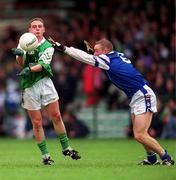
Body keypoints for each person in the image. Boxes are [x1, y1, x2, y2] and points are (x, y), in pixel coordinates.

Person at [49, 37, 174, 166]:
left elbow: (85, 58)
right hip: (136, 95)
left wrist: (65, 49)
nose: (94, 53)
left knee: (140, 135)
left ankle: (166, 157)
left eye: (97, 51)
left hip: (143, 95)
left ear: (106, 51)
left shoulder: (107, 59)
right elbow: (105, 61)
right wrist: (95, 54)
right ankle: (151, 158)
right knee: (140, 133)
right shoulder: (117, 55)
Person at [11, 18, 81, 165]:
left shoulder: (48, 46)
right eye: (34, 26)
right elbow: (20, 62)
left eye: (40, 26)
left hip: (44, 82)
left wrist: (29, 69)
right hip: (29, 85)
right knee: (37, 122)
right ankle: (45, 156)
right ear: (29, 29)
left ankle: (66, 147)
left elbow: (43, 65)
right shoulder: (24, 41)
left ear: (43, 30)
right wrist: (19, 54)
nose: (37, 29)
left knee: (56, 115)